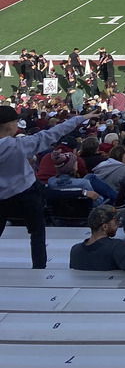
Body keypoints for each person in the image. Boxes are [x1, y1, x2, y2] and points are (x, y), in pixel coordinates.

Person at [0, 105, 96, 268]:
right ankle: (39, 268)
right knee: (37, 232)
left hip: (3, 197)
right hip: (26, 193)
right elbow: (52, 133)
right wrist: (79, 119)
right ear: (10, 125)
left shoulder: (18, 144)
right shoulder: (18, 145)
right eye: (16, 122)